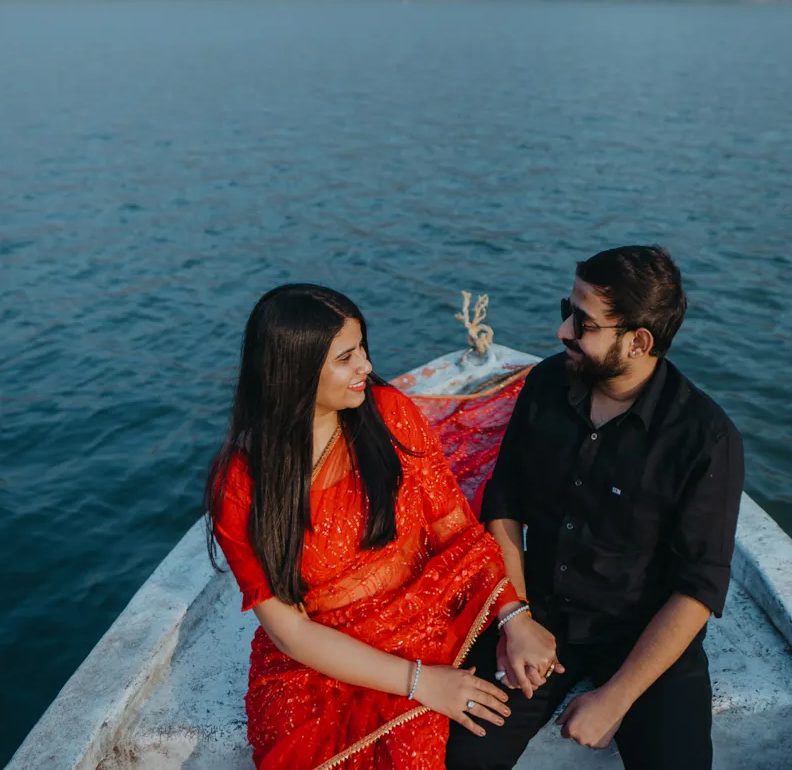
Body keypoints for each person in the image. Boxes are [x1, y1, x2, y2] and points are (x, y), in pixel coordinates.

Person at [205, 284, 563, 770]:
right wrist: (422, 682)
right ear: (294, 371)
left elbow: (455, 529)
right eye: (346, 358)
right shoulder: (241, 484)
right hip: (325, 662)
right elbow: (289, 631)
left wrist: (513, 617)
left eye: (362, 349)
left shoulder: (388, 413)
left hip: (433, 611)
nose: (366, 366)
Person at [446, 246, 745, 770]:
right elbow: (505, 503)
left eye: (583, 323)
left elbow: (697, 588)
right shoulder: (545, 384)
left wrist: (616, 697)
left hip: (641, 635)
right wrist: (515, 617)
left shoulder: (705, 438)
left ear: (638, 342)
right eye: (568, 309)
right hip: (537, 613)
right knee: (458, 754)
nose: (563, 331)